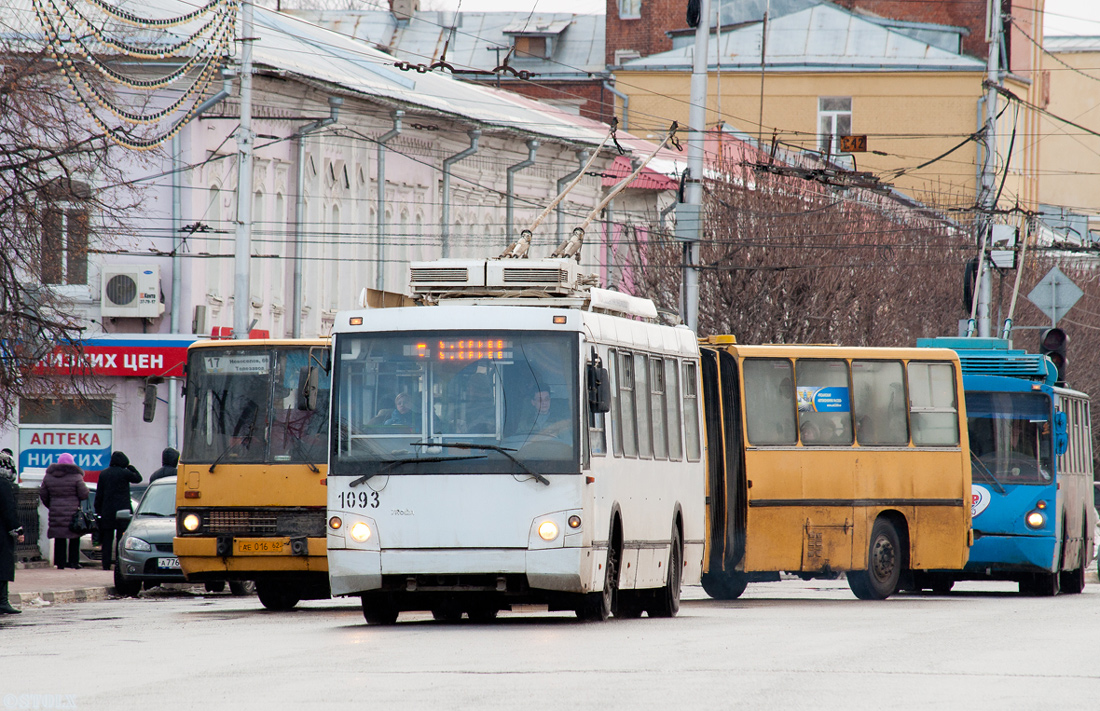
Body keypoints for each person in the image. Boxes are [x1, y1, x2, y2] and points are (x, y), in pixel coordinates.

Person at [38, 453, 89, 570]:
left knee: (59, 537)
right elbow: (84, 494)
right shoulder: (76, 476)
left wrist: (51, 505)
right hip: (72, 512)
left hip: (55, 510)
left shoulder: (49, 476)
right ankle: (73, 562)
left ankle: (60, 563)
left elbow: (43, 494)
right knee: (74, 536)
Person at [95, 451, 142, 571]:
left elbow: (99, 493)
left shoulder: (104, 474)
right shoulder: (125, 473)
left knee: (107, 539)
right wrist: (131, 467)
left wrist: (98, 509)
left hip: (107, 511)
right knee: (121, 539)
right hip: (123, 512)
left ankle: (105, 564)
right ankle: (118, 563)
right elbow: (138, 478)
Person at [1, 453, 24, 613]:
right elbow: (8, 510)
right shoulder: (3, 485)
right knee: (3, 565)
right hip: (1, 533)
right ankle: (2, 600)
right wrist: (18, 529)